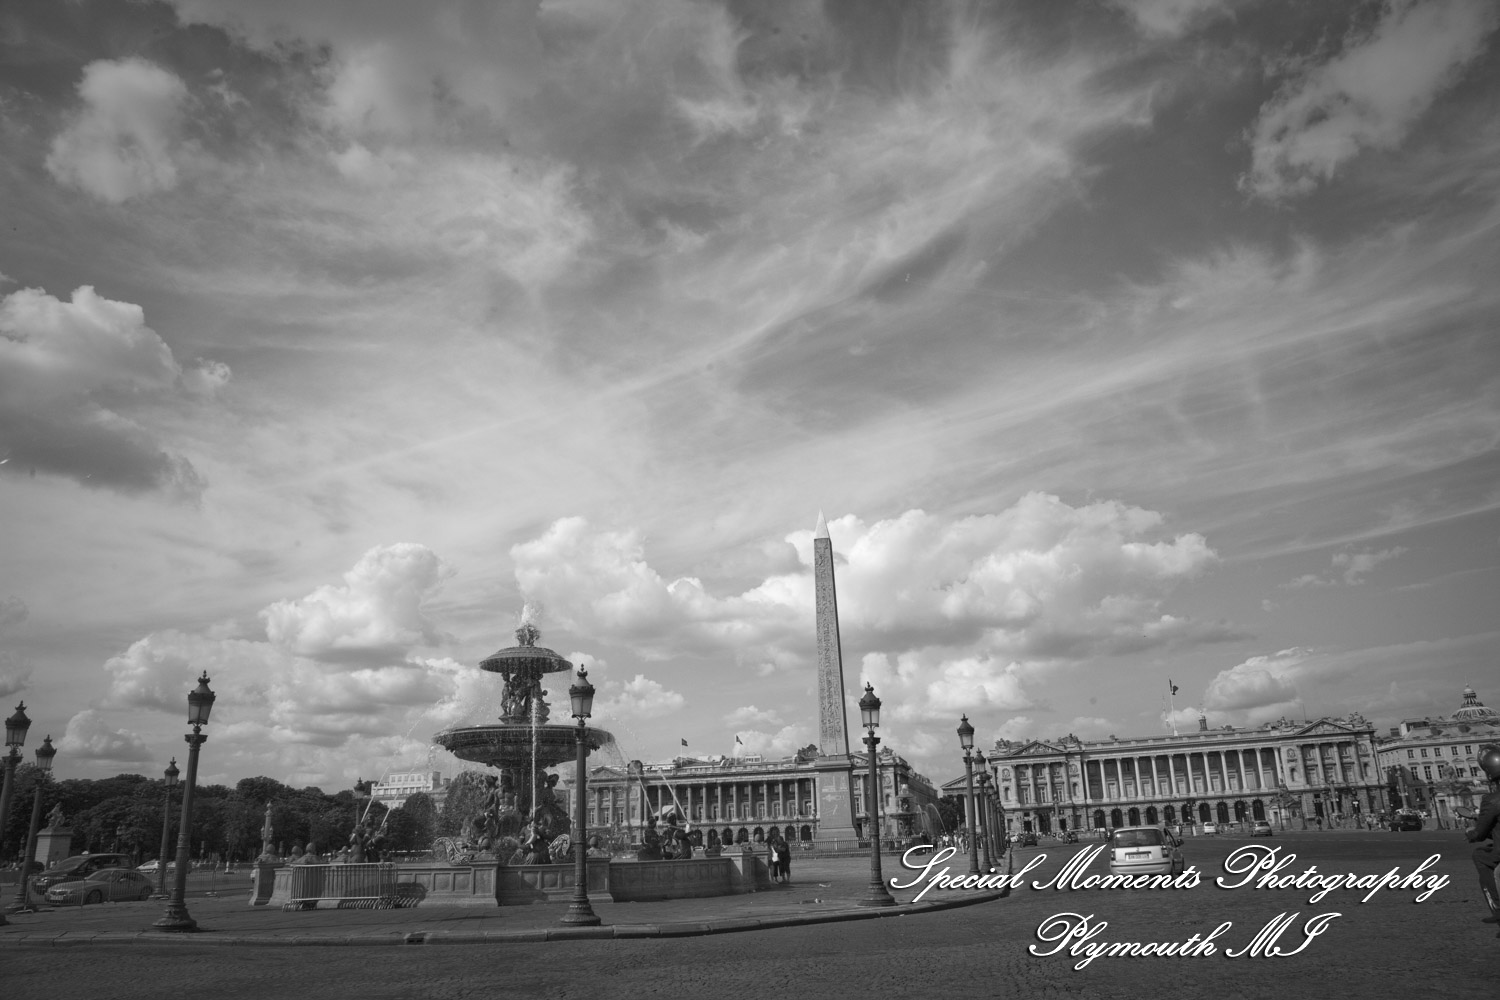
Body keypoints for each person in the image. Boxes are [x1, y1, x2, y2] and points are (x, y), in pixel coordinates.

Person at [1464, 746, 1500, 934]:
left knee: (1480, 856)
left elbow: (1479, 833)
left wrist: (1472, 834)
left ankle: (1498, 907)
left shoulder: (1492, 799)